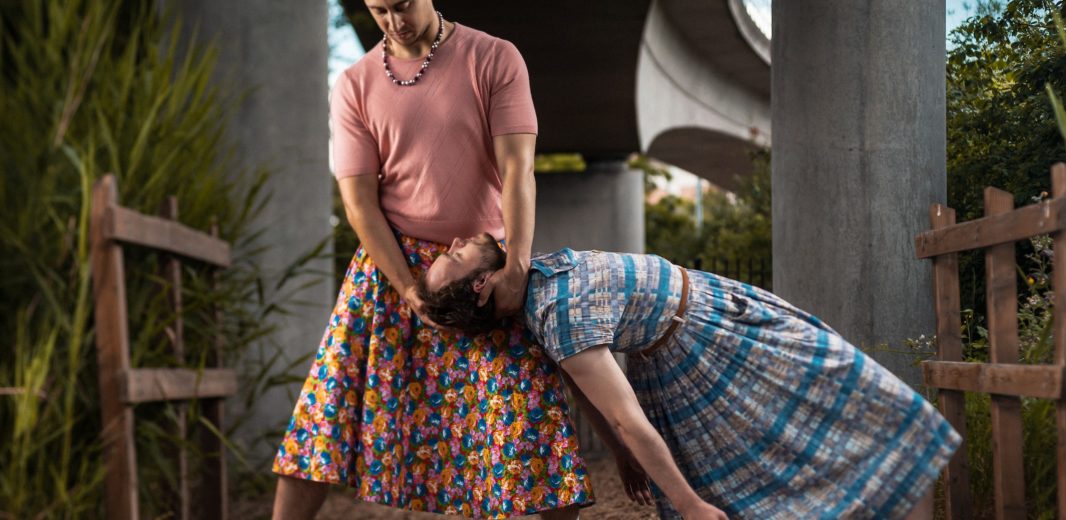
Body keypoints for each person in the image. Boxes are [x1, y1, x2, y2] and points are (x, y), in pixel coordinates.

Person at [271, 1, 593, 518]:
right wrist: (406, 286)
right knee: (323, 416)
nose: (393, 21)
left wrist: (516, 269)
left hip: (479, 264)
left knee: (532, 413)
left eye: (402, 5)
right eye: (379, 10)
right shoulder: (353, 83)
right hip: (390, 264)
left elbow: (518, 170)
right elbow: (358, 201)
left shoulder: (493, 57)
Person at [417, 233, 963, 520]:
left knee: (881, 406)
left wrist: (624, 454)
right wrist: (686, 504)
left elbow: (517, 170)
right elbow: (617, 412)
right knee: (862, 420)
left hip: (723, 312)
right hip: (699, 352)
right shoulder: (555, 317)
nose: (456, 243)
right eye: (454, 258)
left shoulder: (530, 271)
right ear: (482, 286)